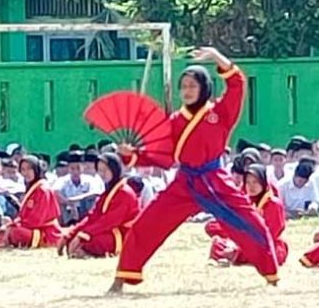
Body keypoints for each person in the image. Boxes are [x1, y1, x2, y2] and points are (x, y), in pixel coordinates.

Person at [111, 47, 281, 293]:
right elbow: (164, 156)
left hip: (215, 179)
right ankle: (122, 277)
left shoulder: (220, 113)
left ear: (204, 87)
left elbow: (237, 84)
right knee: (146, 224)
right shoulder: (174, 121)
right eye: (184, 86)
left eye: (192, 86)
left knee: (252, 222)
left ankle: (272, 275)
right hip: (185, 182)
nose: (187, 91)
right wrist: (132, 156)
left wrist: (216, 56)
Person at [57, 153, 140, 258]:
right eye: (100, 170)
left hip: (123, 235)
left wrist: (83, 235)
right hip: (107, 231)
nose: (102, 174)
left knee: (86, 242)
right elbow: (93, 216)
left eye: (106, 170)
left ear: (114, 169)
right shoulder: (108, 191)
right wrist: (70, 234)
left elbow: (109, 221)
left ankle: (83, 252)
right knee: (74, 240)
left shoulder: (124, 193)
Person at [207, 162, 288, 269]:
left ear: (263, 182)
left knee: (274, 253)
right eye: (248, 182)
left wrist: (241, 248)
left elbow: (271, 233)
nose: (251, 186)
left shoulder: (273, 204)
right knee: (218, 241)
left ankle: (235, 255)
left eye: (255, 182)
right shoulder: (243, 201)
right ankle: (234, 255)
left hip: (266, 243)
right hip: (243, 242)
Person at [0, 155, 62, 249]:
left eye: (29, 169)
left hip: (45, 233)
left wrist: (11, 227)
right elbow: (24, 216)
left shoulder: (42, 190)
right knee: (2, 234)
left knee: (14, 232)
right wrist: (7, 226)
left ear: (36, 169)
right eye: (23, 170)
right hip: (31, 227)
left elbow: (36, 220)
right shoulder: (33, 187)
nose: (25, 173)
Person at [54, 151, 106, 225]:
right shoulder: (62, 180)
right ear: (68, 168)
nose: (75, 171)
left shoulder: (90, 180)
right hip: (68, 212)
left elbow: (96, 192)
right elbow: (55, 192)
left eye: (78, 168)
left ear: (83, 167)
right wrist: (68, 202)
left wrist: (78, 199)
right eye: (72, 168)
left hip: (85, 210)